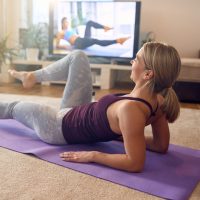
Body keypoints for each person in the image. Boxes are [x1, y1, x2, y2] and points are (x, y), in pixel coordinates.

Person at [5, 42, 181, 172]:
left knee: (13, 107)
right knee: (78, 56)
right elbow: (161, 145)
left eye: (136, 59)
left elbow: (135, 163)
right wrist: (125, 136)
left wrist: (93, 155)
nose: (131, 62)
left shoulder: (131, 110)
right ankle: (31, 77)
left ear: (148, 74)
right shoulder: (158, 100)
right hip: (78, 109)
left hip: (57, 127)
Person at [56, 17, 130, 50]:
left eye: (68, 21)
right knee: (95, 40)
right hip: (78, 43)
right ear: (62, 23)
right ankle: (118, 41)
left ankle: (104, 28)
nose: (68, 23)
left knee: (89, 23)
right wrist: (66, 47)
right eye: (66, 22)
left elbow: (74, 36)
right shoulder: (60, 32)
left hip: (82, 39)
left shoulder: (70, 29)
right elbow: (57, 46)